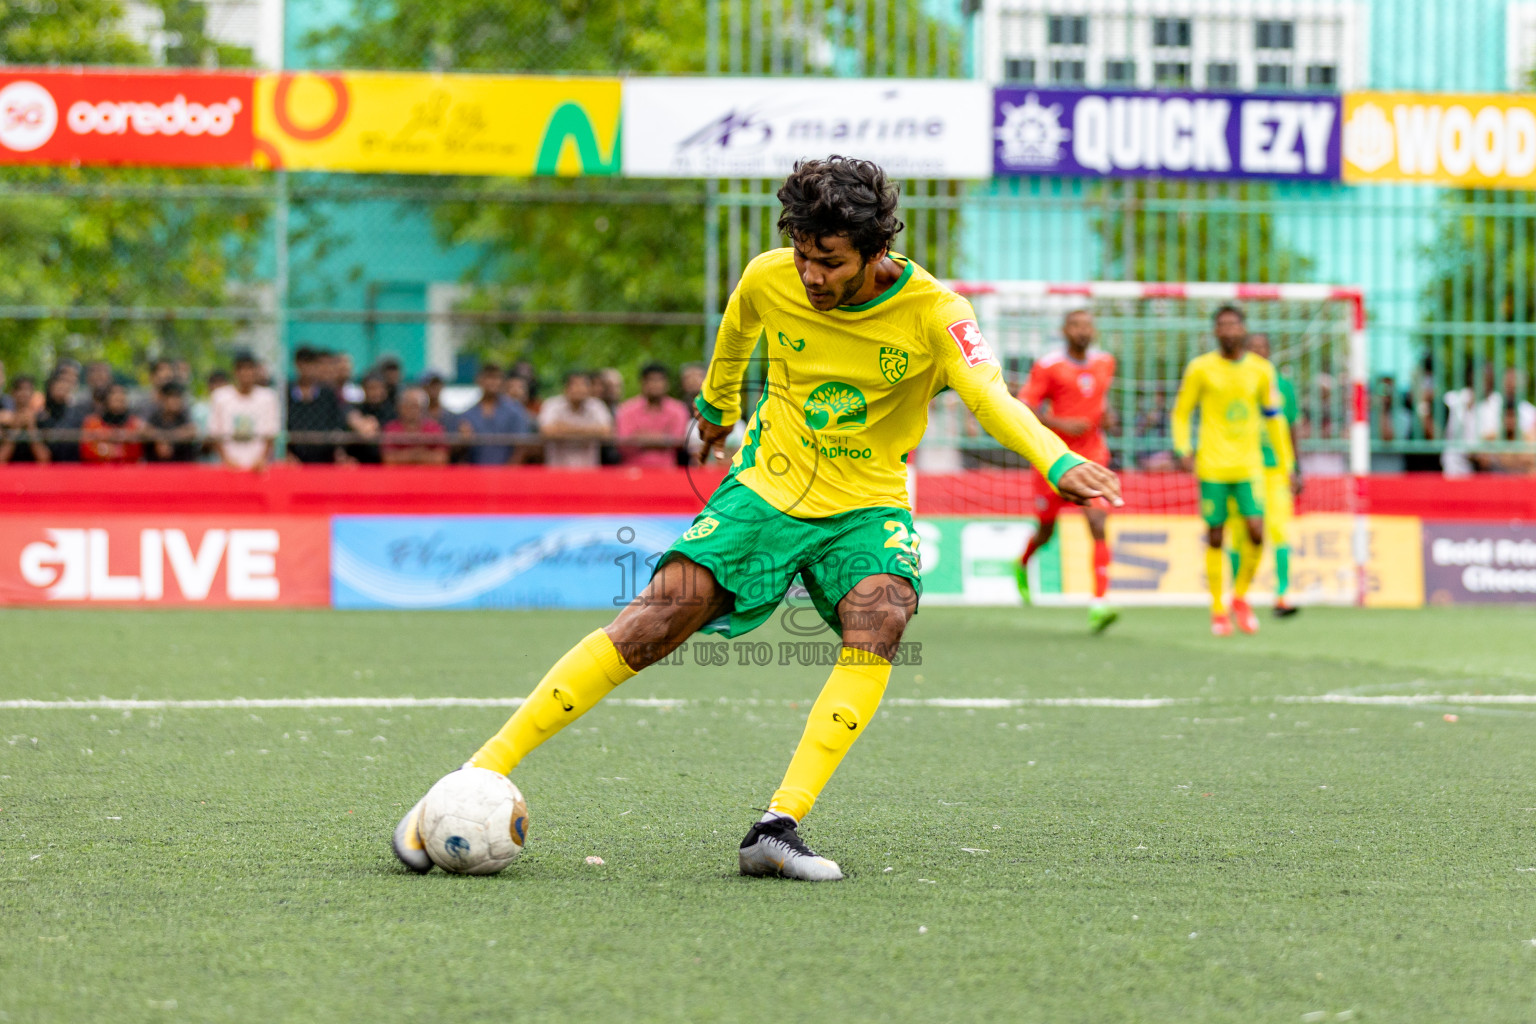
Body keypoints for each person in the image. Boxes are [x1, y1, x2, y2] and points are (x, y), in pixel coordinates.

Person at [392, 156, 1121, 881]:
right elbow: (738, 328)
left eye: (828, 262)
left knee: (883, 615)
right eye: (803, 255)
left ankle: (776, 827)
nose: (809, 275)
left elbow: (992, 398)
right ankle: (467, 781)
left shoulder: (937, 312)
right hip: (768, 486)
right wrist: (716, 408)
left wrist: (1057, 461)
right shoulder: (771, 274)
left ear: (875, 252)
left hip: (867, 503)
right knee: (651, 624)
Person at [1172, 306, 1294, 637]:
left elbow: (1275, 419)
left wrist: (1288, 464)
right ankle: (1217, 608)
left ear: (1243, 330)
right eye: (1222, 326)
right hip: (1211, 466)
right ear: (1215, 332)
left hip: (1249, 466)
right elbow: (1181, 413)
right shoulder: (1200, 368)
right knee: (1216, 535)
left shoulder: (1261, 370)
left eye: (1233, 325)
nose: (1228, 331)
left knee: (1257, 532)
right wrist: (1184, 449)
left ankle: (1239, 596)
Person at [1014, 309, 1118, 633]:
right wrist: (1060, 423)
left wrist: (1107, 414)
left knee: (1098, 520)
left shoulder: (1105, 362)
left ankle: (1099, 604)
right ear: (1064, 329)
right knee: (1046, 530)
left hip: (1091, 456)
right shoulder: (1048, 366)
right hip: (1054, 458)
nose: (1082, 330)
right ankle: (1022, 563)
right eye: (1075, 325)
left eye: (1087, 324)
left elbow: (1098, 399)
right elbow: (1025, 406)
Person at [1223, 334, 1303, 617]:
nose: (1257, 354)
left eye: (1262, 349)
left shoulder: (1282, 386)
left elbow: (1290, 426)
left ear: (1270, 353)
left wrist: (1295, 467)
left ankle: (1282, 594)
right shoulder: (1235, 382)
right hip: (1242, 469)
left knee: (1279, 530)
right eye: (1252, 349)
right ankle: (1238, 595)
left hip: (1275, 470)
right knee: (1240, 533)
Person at [208, 352, 280, 471]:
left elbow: (270, 434)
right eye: (241, 369)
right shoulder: (220, 397)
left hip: (258, 467)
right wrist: (226, 460)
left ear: (256, 372)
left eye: (250, 369)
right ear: (234, 372)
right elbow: (215, 434)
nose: (246, 373)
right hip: (228, 466)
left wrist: (261, 459)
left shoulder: (268, 398)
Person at [615, 363, 691, 467]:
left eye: (659, 380)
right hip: (632, 470)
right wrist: (664, 439)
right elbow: (624, 442)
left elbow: (678, 440)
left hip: (668, 470)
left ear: (666, 384)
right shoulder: (627, 409)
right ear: (642, 383)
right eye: (651, 380)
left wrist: (641, 438)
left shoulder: (678, 409)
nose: (655, 384)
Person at [458, 363, 533, 466]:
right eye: (489, 377)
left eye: (496, 378)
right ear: (479, 380)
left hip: (506, 475)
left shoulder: (515, 411)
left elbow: (521, 447)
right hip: (476, 475)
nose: (492, 382)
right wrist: (463, 441)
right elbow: (461, 454)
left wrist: (509, 473)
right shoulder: (468, 415)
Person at [286, 345, 351, 464]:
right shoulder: (286, 394)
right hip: (294, 460)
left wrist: (339, 452)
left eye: (310, 364)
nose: (306, 368)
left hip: (324, 458)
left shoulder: (328, 394)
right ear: (296, 365)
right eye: (303, 364)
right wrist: (287, 454)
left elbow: (337, 424)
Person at [537, 371, 614, 469]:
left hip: (589, 470)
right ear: (566, 388)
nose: (579, 389)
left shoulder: (597, 406)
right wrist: (591, 430)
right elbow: (546, 431)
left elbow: (607, 433)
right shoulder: (552, 405)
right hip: (557, 469)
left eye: (583, 385)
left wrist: (563, 428)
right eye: (575, 385)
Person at [382, 387, 450, 465]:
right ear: (400, 407)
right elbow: (389, 460)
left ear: (423, 408)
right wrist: (419, 454)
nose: (411, 410)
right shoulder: (391, 428)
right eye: (407, 405)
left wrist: (405, 456)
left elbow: (441, 459)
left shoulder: (435, 428)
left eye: (415, 406)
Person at [80, 384, 145, 464]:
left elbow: (137, 452)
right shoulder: (92, 423)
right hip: (98, 471)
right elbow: (87, 451)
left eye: (121, 397)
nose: (119, 398)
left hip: (128, 471)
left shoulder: (134, 424)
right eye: (114, 396)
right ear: (106, 400)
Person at [143, 382, 199, 463]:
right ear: (163, 399)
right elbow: (145, 431)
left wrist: (168, 439)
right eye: (172, 397)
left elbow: (191, 431)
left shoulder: (183, 416)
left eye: (178, 397)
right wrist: (160, 439)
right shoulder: (155, 416)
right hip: (156, 467)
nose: (176, 401)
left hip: (181, 465)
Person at [36, 372, 85, 462]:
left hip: (71, 463)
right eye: (58, 388)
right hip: (48, 462)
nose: (61, 391)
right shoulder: (41, 417)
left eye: (64, 388)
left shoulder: (77, 415)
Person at [0, 375, 49, 463]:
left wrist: (31, 428)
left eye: (28, 389)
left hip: (34, 473)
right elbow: (1, 459)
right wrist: (15, 429)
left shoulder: (42, 419)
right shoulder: (5, 421)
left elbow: (44, 460)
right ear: (13, 393)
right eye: (20, 389)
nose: (24, 393)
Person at [347, 373, 393, 465]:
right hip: (359, 461)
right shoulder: (356, 409)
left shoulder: (392, 412)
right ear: (364, 389)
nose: (375, 392)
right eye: (371, 388)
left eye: (378, 388)